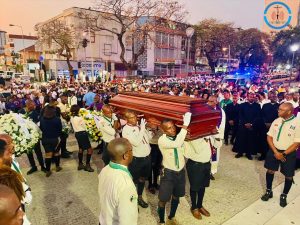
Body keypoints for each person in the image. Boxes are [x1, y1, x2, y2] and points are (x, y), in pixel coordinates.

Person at [261, 103, 300, 207]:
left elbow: (297, 142)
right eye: (279, 109)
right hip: (274, 151)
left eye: (281, 110)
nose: (278, 111)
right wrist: (276, 152)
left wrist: (283, 154)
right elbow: (269, 137)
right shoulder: (277, 120)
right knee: (270, 170)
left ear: (289, 112)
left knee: (289, 176)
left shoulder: (297, 123)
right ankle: (269, 191)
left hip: (289, 153)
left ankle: (284, 195)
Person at [157, 112, 191, 225]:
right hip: (168, 174)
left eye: (173, 126)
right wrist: (185, 124)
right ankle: (161, 221)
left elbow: (184, 150)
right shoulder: (162, 140)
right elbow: (177, 143)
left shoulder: (180, 136)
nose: (173, 130)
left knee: (176, 196)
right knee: (163, 199)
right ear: (163, 130)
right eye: (169, 128)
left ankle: (171, 217)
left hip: (180, 172)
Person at [98, 138, 138, 225]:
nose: (133, 152)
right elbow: (128, 221)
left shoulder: (105, 169)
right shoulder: (126, 184)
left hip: (103, 220)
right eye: (131, 149)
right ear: (126, 155)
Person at [122, 110, 153, 208]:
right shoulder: (126, 130)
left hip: (147, 158)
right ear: (126, 119)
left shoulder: (139, 126)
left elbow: (148, 139)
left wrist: (151, 130)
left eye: (135, 116)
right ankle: (132, 200)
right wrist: (142, 128)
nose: (134, 119)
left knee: (143, 178)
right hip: (136, 160)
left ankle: (139, 196)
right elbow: (136, 142)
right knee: (133, 181)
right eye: (131, 117)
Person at [184, 136, 212, 220]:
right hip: (195, 164)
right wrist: (207, 137)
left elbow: (217, 145)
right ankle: (194, 207)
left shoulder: (207, 134)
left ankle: (200, 205)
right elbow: (198, 149)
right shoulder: (193, 134)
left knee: (202, 186)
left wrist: (215, 136)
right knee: (195, 187)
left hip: (206, 163)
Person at [19, 100, 46, 175]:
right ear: (28, 105)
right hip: (26, 136)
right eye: (33, 105)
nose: (34, 106)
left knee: (38, 152)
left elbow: (38, 123)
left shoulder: (35, 112)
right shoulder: (21, 112)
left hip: (34, 135)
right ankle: (33, 166)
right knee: (29, 152)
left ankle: (42, 166)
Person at [235, 92, 262, 160]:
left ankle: (248, 154)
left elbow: (258, 116)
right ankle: (240, 152)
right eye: (250, 96)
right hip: (243, 125)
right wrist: (245, 123)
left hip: (252, 126)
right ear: (247, 97)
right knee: (241, 139)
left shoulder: (257, 106)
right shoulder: (242, 105)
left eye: (253, 97)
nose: (251, 98)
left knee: (250, 140)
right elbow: (240, 115)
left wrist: (251, 124)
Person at [40, 106, 63, 177]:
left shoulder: (42, 119)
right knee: (56, 152)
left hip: (45, 139)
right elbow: (60, 129)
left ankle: (48, 170)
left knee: (48, 154)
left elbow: (41, 128)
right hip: (55, 139)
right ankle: (57, 167)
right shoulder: (57, 119)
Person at [70, 105, 94, 172]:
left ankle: (80, 164)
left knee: (81, 149)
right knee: (90, 150)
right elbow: (86, 126)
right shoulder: (80, 118)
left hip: (77, 134)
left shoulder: (72, 117)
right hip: (82, 134)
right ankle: (87, 165)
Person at [260, 92, 279, 160]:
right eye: (271, 96)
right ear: (269, 97)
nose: (273, 97)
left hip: (274, 127)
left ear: (276, 97)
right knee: (263, 140)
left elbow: (279, 117)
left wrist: (272, 124)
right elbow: (261, 115)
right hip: (265, 126)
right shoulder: (265, 105)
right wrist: (265, 123)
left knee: (272, 142)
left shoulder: (279, 106)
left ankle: (270, 156)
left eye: (274, 96)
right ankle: (263, 155)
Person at [56, 94, 72, 158]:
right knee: (63, 138)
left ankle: (64, 150)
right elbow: (64, 116)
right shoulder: (60, 106)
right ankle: (63, 153)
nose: (66, 100)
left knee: (64, 138)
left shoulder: (63, 105)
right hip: (62, 124)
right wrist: (70, 117)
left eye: (66, 99)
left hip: (64, 124)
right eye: (64, 99)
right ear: (61, 98)